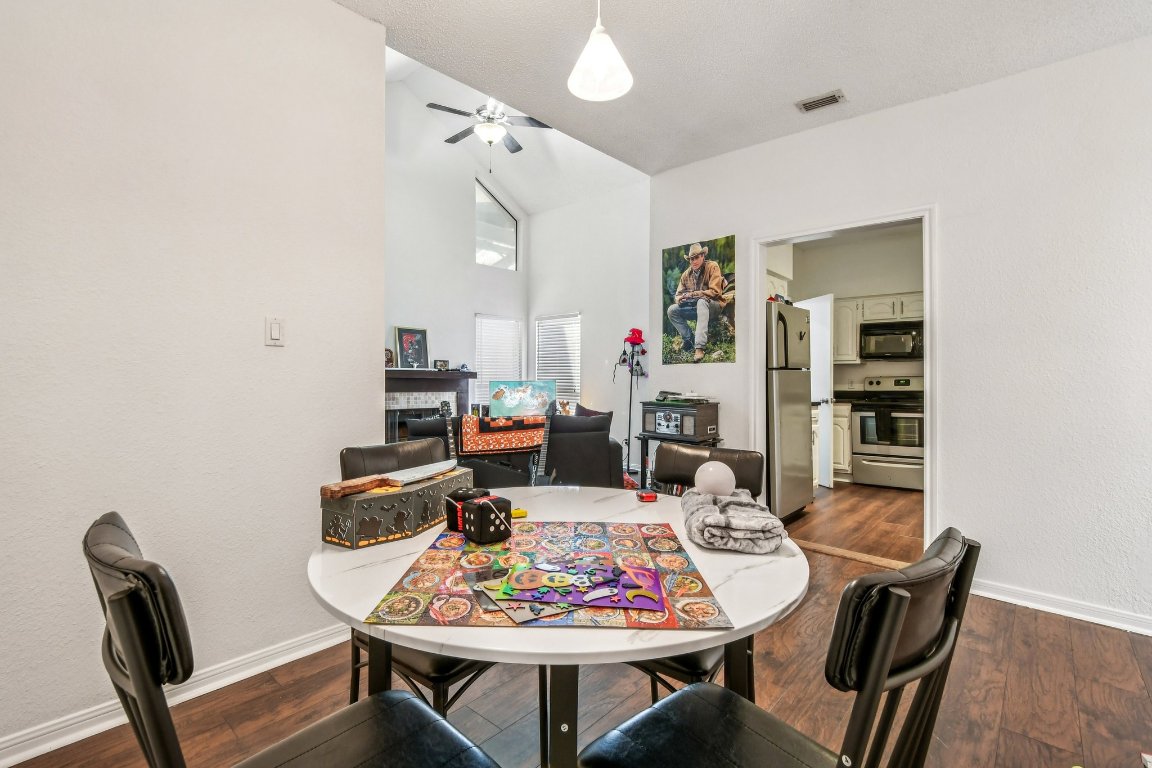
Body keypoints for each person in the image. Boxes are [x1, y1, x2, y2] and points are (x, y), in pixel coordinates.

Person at [667, 242, 726, 362]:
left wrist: (695, 294)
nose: (694, 261)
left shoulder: (712, 266)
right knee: (672, 310)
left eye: (697, 258)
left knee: (701, 302)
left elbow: (715, 292)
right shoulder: (686, 274)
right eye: (691, 259)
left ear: (703, 256)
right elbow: (677, 295)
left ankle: (699, 347)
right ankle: (689, 339)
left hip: (713, 306)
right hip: (694, 307)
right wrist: (681, 298)